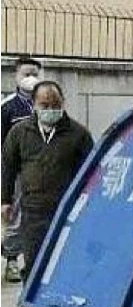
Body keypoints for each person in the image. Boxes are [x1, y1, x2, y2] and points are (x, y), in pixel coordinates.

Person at [1, 80, 93, 282]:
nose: (51, 110)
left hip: (67, 211)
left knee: (64, 263)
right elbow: (8, 166)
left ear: (63, 103)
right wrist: (5, 200)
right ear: (33, 105)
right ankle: (31, 300)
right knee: (35, 263)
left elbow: (91, 173)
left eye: (55, 105)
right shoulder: (19, 133)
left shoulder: (79, 135)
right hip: (33, 211)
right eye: (45, 105)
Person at [1, 56, 42, 282]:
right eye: (27, 74)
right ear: (16, 76)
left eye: (35, 74)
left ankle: (33, 260)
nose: (31, 78)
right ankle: (11, 259)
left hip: (41, 169)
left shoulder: (44, 103)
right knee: (14, 215)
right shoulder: (7, 107)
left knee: (36, 215)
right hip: (16, 170)